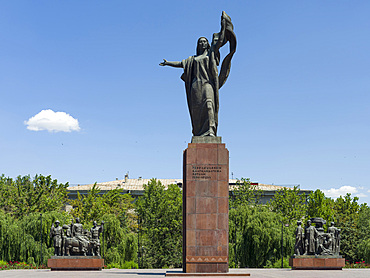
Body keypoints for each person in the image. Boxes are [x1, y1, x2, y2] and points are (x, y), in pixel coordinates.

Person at [160, 11, 236, 137]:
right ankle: (199, 133)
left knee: (209, 106)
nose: (202, 43)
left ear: (207, 44)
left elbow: (220, 41)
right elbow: (180, 64)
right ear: (197, 45)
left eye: (204, 41)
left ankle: (211, 131)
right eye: (200, 42)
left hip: (207, 85)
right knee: (197, 112)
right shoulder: (192, 59)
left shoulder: (211, 52)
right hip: (196, 86)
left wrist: (223, 26)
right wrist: (168, 63)